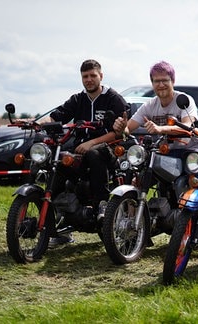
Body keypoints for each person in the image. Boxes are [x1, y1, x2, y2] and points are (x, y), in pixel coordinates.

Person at [112, 61, 198, 261]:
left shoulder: (184, 100)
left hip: (190, 152)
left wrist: (161, 129)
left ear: (173, 81)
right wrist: (121, 127)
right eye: (156, 81)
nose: (160, 85)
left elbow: (188, 127)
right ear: (152, 83)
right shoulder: (149, 105)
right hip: (164, 153)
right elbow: (130, 127)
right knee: (138, 180)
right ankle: (139, 230)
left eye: (164, 80)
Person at [42, 59, 127, 247]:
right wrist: (37, 121)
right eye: (85, 76)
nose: (88, 80)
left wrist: (92, 143)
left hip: (108, 151)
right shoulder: (77, 99)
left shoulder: (114, 99)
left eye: (92, 76)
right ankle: (56, 225)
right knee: (57, 163)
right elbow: (56, 115)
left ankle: (102, 206)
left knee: (94, 154)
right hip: (80, 150)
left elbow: (120, 132)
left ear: (101, 76)